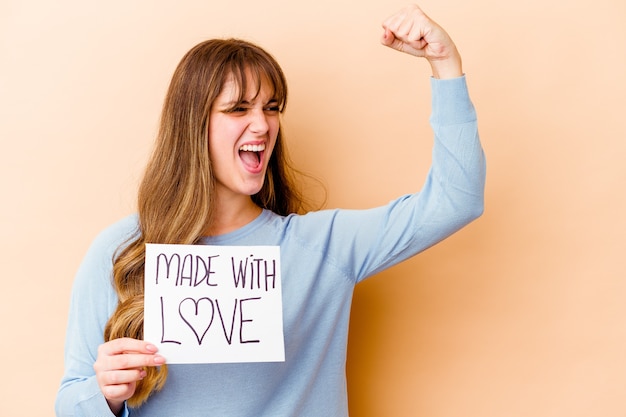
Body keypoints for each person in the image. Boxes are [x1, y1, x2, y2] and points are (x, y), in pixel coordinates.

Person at [55, 4, 486, 416]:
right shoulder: (122, 251)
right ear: (192, 126)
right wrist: (106, 394)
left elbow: (456, 200)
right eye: (238, 108)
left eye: (272, 108)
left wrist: (445, 65)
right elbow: (70, 402)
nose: (262, 124)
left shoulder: (322, 247)